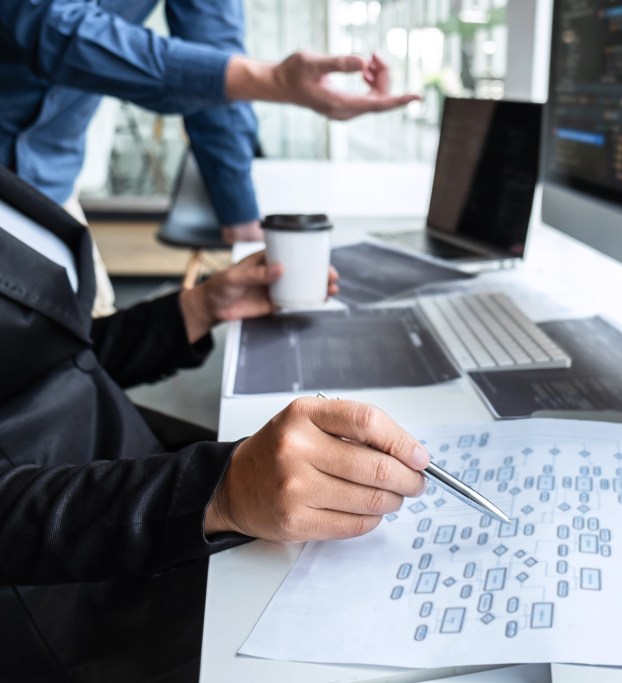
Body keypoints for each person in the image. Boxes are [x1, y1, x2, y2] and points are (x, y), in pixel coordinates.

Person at [0, 164, 428, 678]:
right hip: (80, 591)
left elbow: (47, 358)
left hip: (133, 464)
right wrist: (215, 492)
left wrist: (197, 307)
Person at [0, 0, 417, 314]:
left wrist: (244, 226)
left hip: (48, 185)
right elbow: (48, 24)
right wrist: (272, 80)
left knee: (86, 359)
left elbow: (214, 51)